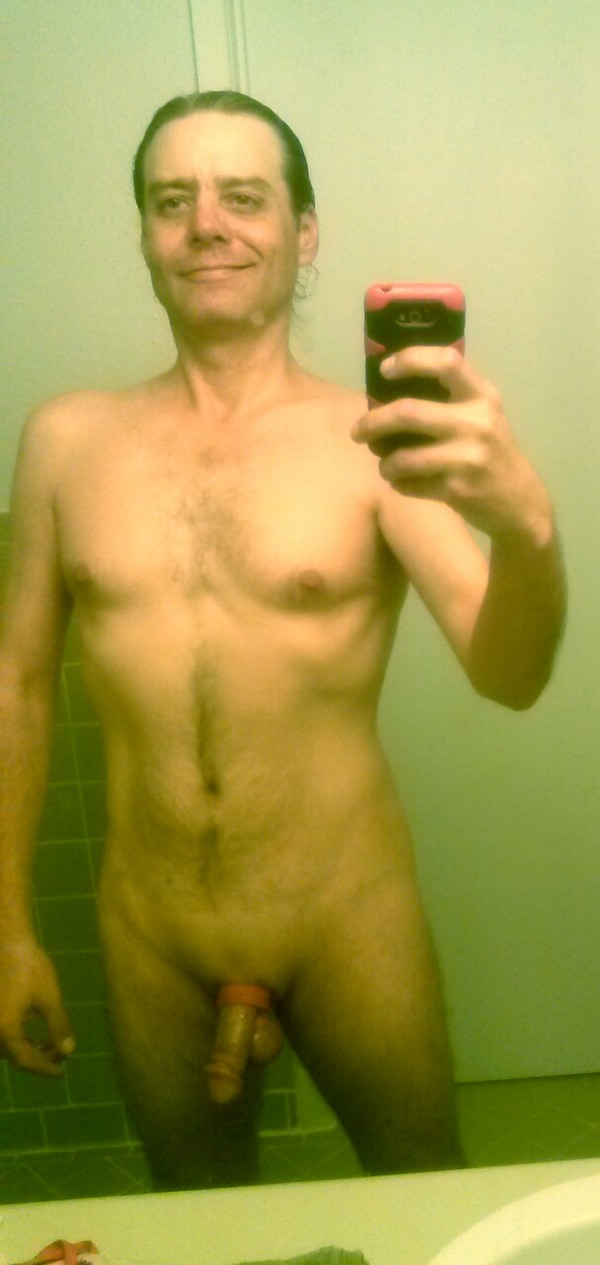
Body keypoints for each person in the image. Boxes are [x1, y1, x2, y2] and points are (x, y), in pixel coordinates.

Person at [0, 91, 566, 1190]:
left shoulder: (375, 442)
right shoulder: (64, 441)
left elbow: (510, 674)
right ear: (145, 234)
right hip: (152, 929)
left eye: (244, 197)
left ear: (305, 233)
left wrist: (528, 529)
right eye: (174, 200)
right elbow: (20, 684)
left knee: (426, 1191)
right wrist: (9, 925)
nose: (207, 224)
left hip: (345, 915)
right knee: (199, 1219)